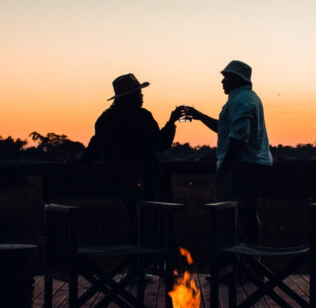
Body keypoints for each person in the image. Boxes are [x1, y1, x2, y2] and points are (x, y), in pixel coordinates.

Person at [82, 73, 184, 239]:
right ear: (130, 97)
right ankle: (145, 256)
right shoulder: (143, 117)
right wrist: (171, 122)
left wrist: (79, 163)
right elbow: (161, 144)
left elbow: (93, 151)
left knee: (133, 217)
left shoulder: (105, 119)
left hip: (118, 184)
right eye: (138, 93)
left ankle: (134, 255)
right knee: (150, 219)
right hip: (146, 181)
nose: (142, 96)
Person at [183, 60, 273, 244]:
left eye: (226, 78)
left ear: (236, 79)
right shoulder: (246, 98)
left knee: (234, 215)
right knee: (246, 214)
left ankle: (241, 264)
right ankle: (249, 263)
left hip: (243, 168)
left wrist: (225, 165)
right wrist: (199, 116)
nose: (222, 82)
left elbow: (239, 137)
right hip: (250, 166)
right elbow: (226, 129)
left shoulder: (242, 101)